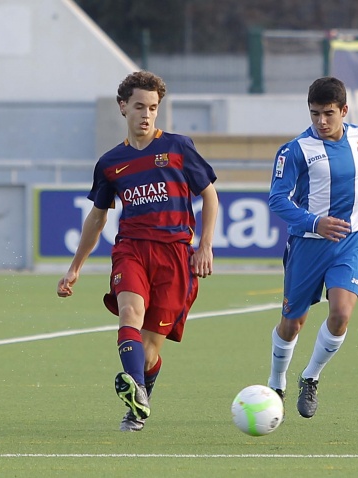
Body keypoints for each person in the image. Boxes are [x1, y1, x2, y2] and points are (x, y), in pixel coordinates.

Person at [56, 71, 219, 431]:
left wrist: (204, 245)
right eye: (139, 107)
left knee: (148, 354)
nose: (146, 114)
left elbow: (209, 195)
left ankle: (138, 400)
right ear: (123, 108)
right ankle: (139, 397)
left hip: (176, 257)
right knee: (129, 311)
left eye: (153, 108)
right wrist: (75, 268)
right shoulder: (110, 163)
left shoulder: (178, 147)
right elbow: (96, 220)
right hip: (131, 250)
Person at [266, 76, 358, 419]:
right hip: (309, 245)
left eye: (328, 114)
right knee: (292, 323)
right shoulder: (295, 150)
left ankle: (310, 376)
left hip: (352, 240)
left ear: (344, 110)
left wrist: (355, 215)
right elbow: (276, 199)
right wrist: (315, 222)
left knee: (341, 313)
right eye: (314, 114)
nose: (321, 122)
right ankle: (276, 381)